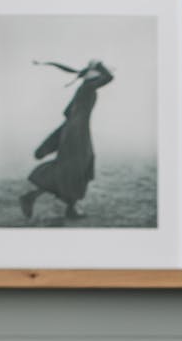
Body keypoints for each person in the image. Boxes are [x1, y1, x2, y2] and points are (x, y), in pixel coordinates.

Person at [20, 58, 114, 222]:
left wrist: (67, 130)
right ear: (93, 77)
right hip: (77, 134)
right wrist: (98, 64)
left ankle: (68, 208)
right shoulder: (88, 88)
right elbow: (109, 78)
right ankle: (33, 196)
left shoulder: (84, 89)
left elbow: (67, 113)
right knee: (75, 169)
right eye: (98, 75)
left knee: (76, 169)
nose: (100, 78)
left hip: (75, 131)